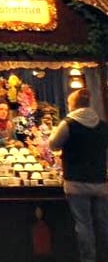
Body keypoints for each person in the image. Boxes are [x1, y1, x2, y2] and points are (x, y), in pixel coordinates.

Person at [49, 88, 108, 262]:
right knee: (104, 223)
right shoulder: (103, 125)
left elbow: (53, 145)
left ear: (72, 104)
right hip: (100, 182)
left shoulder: (68, 123)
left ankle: (88, 258)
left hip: (76, 182)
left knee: (84, 225)